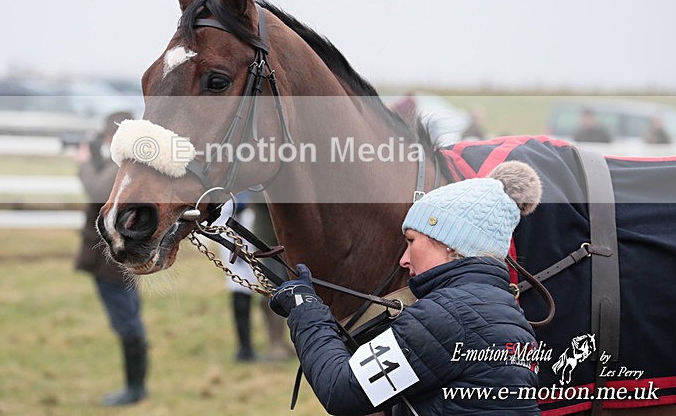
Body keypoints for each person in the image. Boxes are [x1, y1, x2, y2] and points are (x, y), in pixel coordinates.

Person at [269, 161, 543, 414]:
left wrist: (305, 309)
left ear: (448, 241)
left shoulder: (445, 318)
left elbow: (341, 389)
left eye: (411, 241)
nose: (404, 259)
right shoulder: (510, 316)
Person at [75, 111, 149, 406]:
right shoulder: (129, 163)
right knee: (130, 319)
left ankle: (135, 388)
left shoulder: (126, 165)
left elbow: (96, 189)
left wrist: (82, 165)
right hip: (117, 258)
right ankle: (137, 386)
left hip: (111, 261)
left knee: (128, 323)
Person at [216, 195, 294, 363]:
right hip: (249, 220)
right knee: (264, 286)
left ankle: (277, 342)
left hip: (268, 221)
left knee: (278, 284)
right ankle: (269, 344)